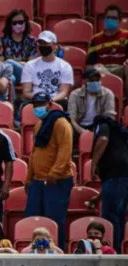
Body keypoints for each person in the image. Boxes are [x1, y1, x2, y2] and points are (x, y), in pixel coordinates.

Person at [24, 92, 74, 248]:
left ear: (50, 104)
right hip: (38, 181)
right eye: (36, 105)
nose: (38, 108)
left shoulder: (61, 123)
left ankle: (58, 254)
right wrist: (29, 177)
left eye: (41, 104)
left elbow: (65, 150)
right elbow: (34, 153)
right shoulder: (40, 125)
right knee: (33, 221)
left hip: (56, 181)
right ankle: (32, 254)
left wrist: (54, 174)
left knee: (54, 221)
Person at [91, 111, 128, 249]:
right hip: (120, 178)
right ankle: (116, 249)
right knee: (118, 215)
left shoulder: (102, 123)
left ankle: (113, 251)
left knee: (110, 217)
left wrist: (94, 163)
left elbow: (103, 139)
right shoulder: (119, 135)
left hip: (116, 176)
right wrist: (99, 197)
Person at [21, 31, 74, 110]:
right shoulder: (29, 65)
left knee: (65, 105)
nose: (42, 46)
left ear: (54, 46)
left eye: (45, 43)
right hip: (36, 100)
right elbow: (26, 92)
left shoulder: (65, 66)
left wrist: (51, 100)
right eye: (40, 43)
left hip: (57, 100)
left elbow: (64, 92)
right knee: (24, 106)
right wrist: (41, 99)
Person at [87, 4, 128, 83]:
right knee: (96, 68)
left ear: (119, 20)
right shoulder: (95, 39)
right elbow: (89, 65)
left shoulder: (126, 36)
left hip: (121, 68)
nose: (110, 20)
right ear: (104, 19)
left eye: (114, 18)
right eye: (108, 17)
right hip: (103, 69)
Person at [69, 68, 116, 135]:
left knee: (105, 129)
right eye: (91, 80)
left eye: (97, 80)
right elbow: (71, 118)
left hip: (98, 125)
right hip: (80, 125)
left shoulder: (108, 94)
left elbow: (109, 116)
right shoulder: (75, 94)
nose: (95, 83)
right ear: (84, 81)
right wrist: (81, 131)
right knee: (68, 128)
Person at [0, 9, 38, 89]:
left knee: (9, 62)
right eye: (14, 23)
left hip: (26, 74)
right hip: (8, 73)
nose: (18, 25)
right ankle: (13, 101)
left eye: (21, 22)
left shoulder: (32, 41)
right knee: (11, 79)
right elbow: (0, 63)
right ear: (10, 24)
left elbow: (30, 65)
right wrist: (21, 63)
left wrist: (12, 63)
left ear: (26, 23)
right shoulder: (2, 40)